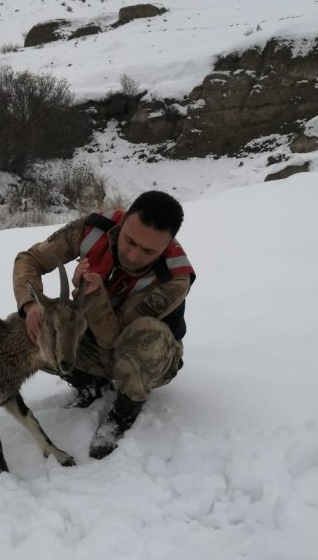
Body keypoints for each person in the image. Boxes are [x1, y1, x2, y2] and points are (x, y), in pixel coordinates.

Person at [13, 190, 195, 459]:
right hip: (97, 342)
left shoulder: (175, 278)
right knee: (27, 330)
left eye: (148, 251)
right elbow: (30, 259)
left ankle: (124, 410)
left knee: (147, 337)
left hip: (148, 357)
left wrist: (94, 293)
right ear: (122, 224)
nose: (133, 256)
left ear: (165, 248)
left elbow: (115, 341)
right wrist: (30, 306)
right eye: (129, 241)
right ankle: (88, 384)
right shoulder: (93, 228)